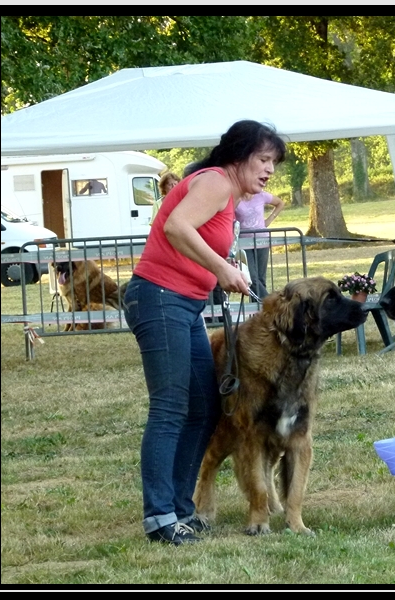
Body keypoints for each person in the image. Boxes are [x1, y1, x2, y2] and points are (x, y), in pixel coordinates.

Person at [122, 120, 286, 544]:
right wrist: (220, 268)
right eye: (264, 159)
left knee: (204, 408)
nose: (269, 170)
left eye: (274, 163)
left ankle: (179, 509)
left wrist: (226, 267)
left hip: (184, 304)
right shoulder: (215, 182)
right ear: (238, 155)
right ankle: (159, 518)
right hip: (160, 298)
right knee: (171, 407)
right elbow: (176, 227)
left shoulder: (228, 195)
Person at [234, 190, 285, 299]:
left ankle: (259, 312)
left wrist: (269, 220)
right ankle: (270, 303)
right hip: (244, 242)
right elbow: (228, 213)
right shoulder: (236, 197)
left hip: (262, 240)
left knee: (260, 279)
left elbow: (280, 203)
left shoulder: (261, 195)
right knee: (252, 277)